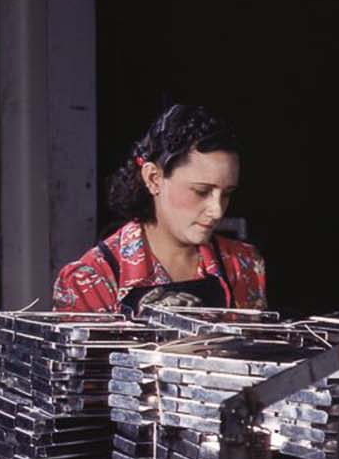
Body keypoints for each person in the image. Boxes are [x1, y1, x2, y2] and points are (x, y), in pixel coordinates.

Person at [52, 103, 267, 315]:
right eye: (201, 191)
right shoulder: (90, 279)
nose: (217, 211)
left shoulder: (243, 265)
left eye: (227, 194)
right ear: (153, 179)